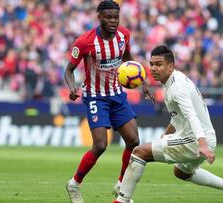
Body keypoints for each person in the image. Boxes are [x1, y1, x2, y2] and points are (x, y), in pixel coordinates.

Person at [114, 45, 223, 203]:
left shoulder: (177, 87)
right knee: (181, 172)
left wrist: (202, 144)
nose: (153, 68)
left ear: (170, 66)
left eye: (159, 64)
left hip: (195, 140)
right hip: (204, 137)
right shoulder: (171, 81)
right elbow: (178, 117)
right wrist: (166, 135)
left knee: (139, 152)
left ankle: (121, 200)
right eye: (152, 64)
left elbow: (191, 115)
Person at [64, 1, 154, 203]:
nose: (113, 21)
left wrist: (143, 81)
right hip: (95, 95)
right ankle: (75, 183)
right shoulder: (85, 41)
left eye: (116, 17)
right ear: (100, 17)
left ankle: (121, 184)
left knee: (134, 141)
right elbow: (68, 70)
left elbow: (128, 59)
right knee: (100, 145)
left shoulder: (124, 35)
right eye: (108, 17)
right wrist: (72, 88)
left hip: (117, 94)